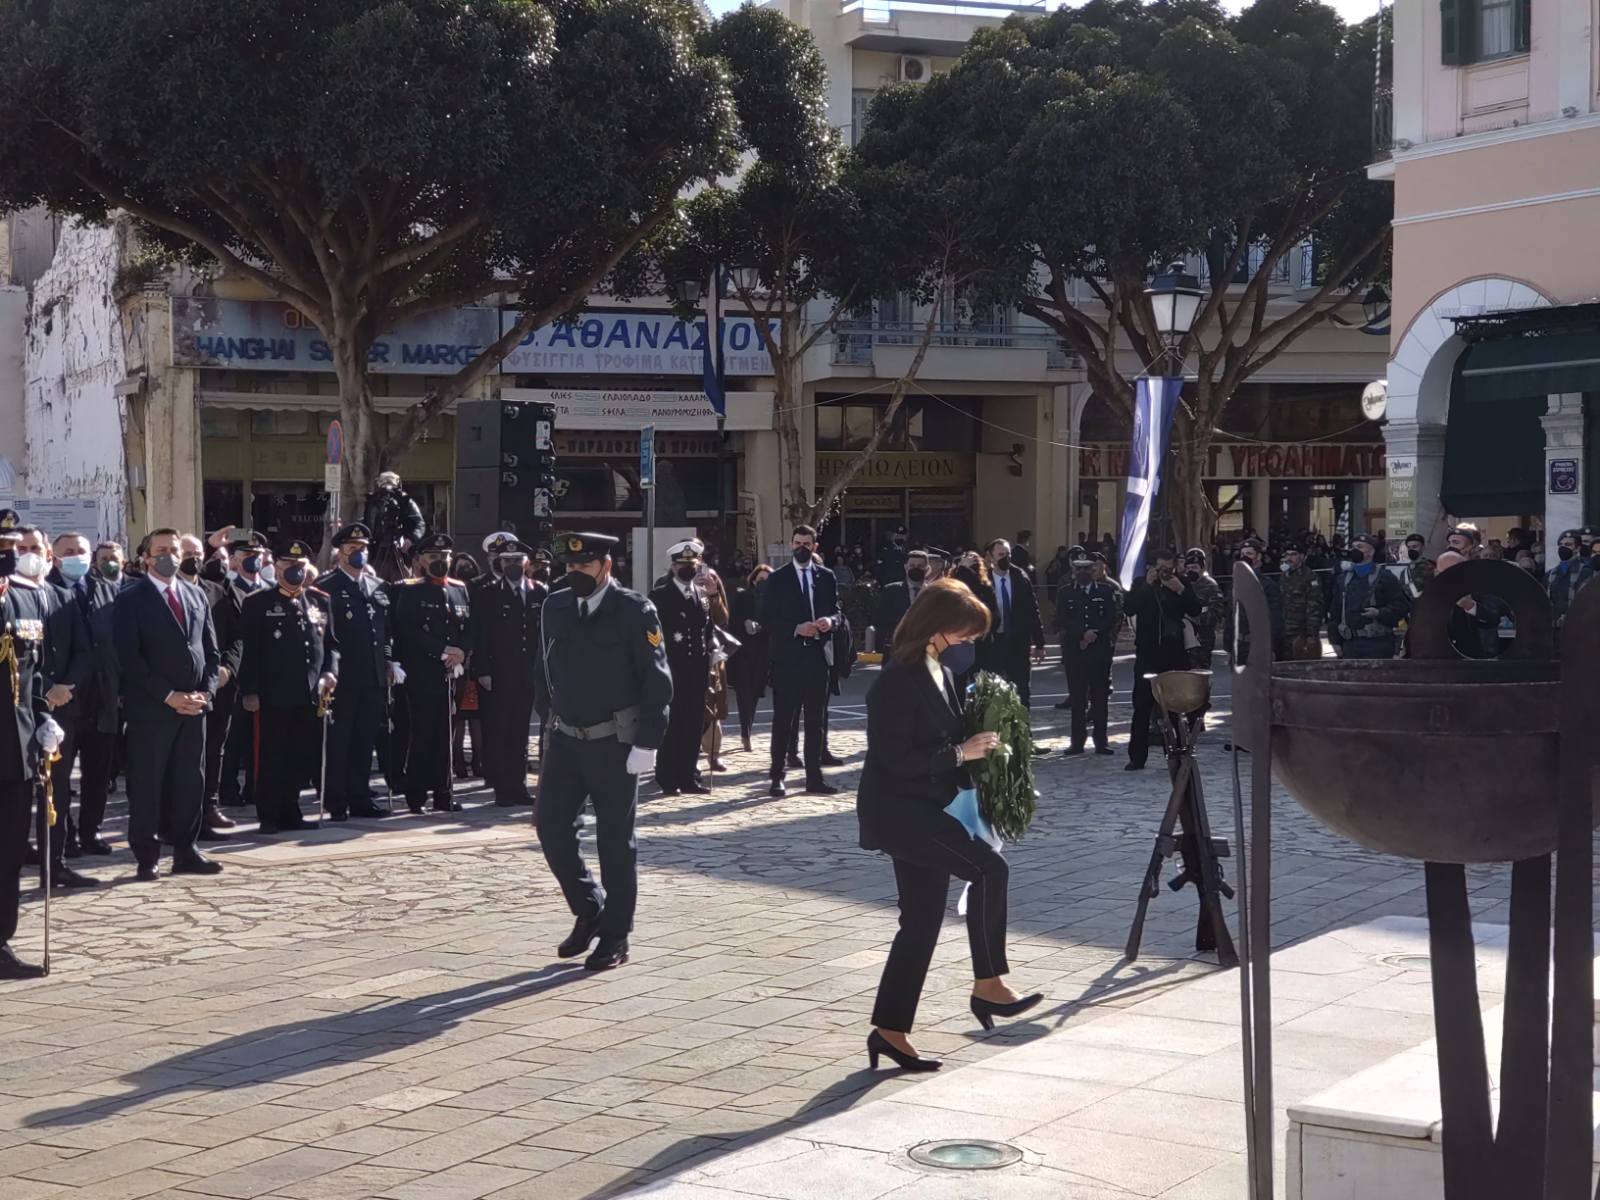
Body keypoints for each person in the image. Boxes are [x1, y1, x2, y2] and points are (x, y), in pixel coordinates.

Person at [858, 578, 1041, 1072]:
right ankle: (989, 983)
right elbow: (895, 759)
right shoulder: (896, 680)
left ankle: (889, 1031)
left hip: (928, 808)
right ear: (937, 626)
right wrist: (961, 752)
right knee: (988, 870)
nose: (969, 642)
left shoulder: (938, 670)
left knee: (920, 923)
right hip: (901, 812)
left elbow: (945, 737)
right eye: (965, 632)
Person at [534, 532, 673, 972]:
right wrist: (546, 721)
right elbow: (543, 669)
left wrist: (648, 741)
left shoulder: (634, 609)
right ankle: (590, 906)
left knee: (615, 843)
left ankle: (616, 935)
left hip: (615, 743)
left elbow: (657, 680)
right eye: (571, 566)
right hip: (565, 739)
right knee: (551, 829)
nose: (576, 572)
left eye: (586, 565)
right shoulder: (555, 606)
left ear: (606, 566)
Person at [112, 528, 223, 880]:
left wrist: (206, 693)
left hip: (194, 707)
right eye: (160, 550)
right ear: (146, 557)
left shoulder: (195, 594)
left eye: (174, 550)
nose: (169, 557)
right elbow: (130, 659)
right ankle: (147, 855)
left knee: (190, 781)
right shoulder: (131, 598)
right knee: (148, 783)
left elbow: (211, 650)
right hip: (152, 709)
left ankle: (186, 850)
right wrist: (168, 695)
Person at [237, 540, 338, 833]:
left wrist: (330, 673)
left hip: (309, 692)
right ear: (277, 568)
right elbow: (249, 649)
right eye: (288, 565)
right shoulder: (258, 602)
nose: (295, 571)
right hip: (273, 693)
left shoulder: (319, 600)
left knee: (299, 754)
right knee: (271, 755)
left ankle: (291, 810)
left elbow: (331, 645)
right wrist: (250, 690)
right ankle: (269, 813)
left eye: (300, 565)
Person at [0, 517, 62, 978]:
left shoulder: (23, 600)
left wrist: (44, 719)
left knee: (7, 853)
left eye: (13, 546)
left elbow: (32, 674)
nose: (10, 554)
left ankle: (0, 941)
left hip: (16, 753)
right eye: (4, 546)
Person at [387, 534, 470, 814]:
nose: (440, 561)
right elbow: (408, 631)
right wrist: (442, 650)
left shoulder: (459, 589)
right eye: (434, 556)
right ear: (421, 560)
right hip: (421, 672)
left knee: (446, 735)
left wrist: (461, 651)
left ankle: (444, 794)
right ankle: (416, 796)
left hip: (451, 673)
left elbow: (468, 627)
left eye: (444, 556)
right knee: (422, 734)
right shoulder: (409, 591)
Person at [760, 525, 840, 798]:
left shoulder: (826, 577)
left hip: (817, 658)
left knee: (816, 721)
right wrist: (795, 628)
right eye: (797, 543)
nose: (801, 548)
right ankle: (777, 777)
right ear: (791, 545)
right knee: (784, 720)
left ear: (814, 547)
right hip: (788, 660)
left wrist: (830, 621)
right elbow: (767, 618)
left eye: (807, 544)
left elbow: (837, 611)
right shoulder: (778, 578)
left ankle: (814, 778)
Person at [320, 523, 393, 820]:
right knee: (340, 742)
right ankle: (336, 801)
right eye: (352, 549)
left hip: (373, 676)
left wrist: (389, 662)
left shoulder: (378, 586)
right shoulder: (327, 587)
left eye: (362, 548)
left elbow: (385, 632)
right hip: (343, 677)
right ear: (340, 553)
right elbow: (325, 636)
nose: (358, 553)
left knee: (364, 741)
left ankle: (361, 797)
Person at [471, 536, 546, 807]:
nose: (512, 565)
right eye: (507, 561)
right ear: (499, 564)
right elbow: (480, 635)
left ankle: (518, 786)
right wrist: (483, 670)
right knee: (499, 730)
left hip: (527, 673)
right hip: (498, 673)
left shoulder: (539, 592)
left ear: (526, 563)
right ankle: (502, 788)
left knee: (520, 731)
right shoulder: (488, 593)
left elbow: (544, 634)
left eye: (517, 560)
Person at [1125, 549, 1202, 771]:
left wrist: (1181, 590)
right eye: (1161, 569)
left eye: (1170, 569)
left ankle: (1178, 752)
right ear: (1152, 568)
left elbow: (1195, 609)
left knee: (1176, 707)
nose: (1166, 573)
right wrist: (1146, 586)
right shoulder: (1141, 583)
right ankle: (1137, 757)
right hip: (1147, 653)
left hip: (1174, 653)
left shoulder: (1181, 583)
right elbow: (1129, 608)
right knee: (1142, 706)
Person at [650, 540, 715, 796]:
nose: (687, 568)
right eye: (682, 565)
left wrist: (713, 646)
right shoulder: (660, 596)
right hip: (672, 669)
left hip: (697, 669)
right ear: (673, 566)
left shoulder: (701, 595)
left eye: (692, 564)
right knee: (673, 723)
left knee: (693, 723)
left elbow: (707, 629)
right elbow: (652, 636)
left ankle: (688, 776)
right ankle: (667, 777)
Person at [1055, 548, 1119, 755]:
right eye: (1078, 569)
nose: (1083, 572)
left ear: (1093, 570)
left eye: (1087, 569)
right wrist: (1082, 634)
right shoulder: (1065, 593)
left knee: (1100, 698)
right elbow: (1061, 620)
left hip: (1099, 652)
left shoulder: (1105, 592)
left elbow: (1111, 617)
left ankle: (1101, 741)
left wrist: (1094, 633)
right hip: (1075, 652)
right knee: (1077, 700)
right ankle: (1077, 742)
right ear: (1073, 571)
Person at [983, 538, 1045, 707]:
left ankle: (1022, 722)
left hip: (1018, 642)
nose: (1005, 558)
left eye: (1008, 554)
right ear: (991, 557)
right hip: (994, 642)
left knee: (1021, 691)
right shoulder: (984, 580)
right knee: (992, 691)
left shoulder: (1020, 577)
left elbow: (1032, 610)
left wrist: (1039, 643)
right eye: (1000, 555)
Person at [1330, 533, 1409, 660]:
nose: (1354, 550)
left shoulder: (1385, 577)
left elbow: (1402, 606)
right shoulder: (1343, 579)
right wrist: (1335, 641)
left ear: (1371, 552)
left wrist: (1379, 613)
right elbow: (1335, 610)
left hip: (1379, 644)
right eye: (1353, 547)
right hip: (1350, 644)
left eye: (1360, 547)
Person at [448, 553, 485, 778]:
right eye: (460, 566)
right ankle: (458, 760)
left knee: (477, 717)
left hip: (477, 664)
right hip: (457, 663)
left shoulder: (479, 591)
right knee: (459, 717)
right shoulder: (452, 592)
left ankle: (479, 759)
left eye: (468, 566)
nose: (465, 570)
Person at [728, 564, 771, 754]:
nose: (763, 583)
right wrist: (745, 622)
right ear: (753, 580)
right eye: (760, 579)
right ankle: (745, 732)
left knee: (754, 694)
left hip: (763, 653)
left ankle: (748, 729)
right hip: (743, 653)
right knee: (744, 693)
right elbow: (732, 620)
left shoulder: (773, 600)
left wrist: (764, 627)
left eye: (767, 580)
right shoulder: (743, 596)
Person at [699, 566, 733, 773]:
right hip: (686, 658)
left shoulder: (713, 587)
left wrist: (712, 594)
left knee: (713, 707)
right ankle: (687, 755)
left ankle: (713, 754)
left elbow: (722, 619)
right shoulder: (674, 587)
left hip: (712, 657)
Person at [364, 470, 427, 582]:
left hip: (399, 549)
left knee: (404, 581)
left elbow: (419, 524)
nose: (388, 491)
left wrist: (410, 540)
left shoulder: (405, 501)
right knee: (373, 580)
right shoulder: (372, 502)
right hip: (376, 549)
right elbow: (366, 523)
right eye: (384, 485)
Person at [874, 549, 931, 655]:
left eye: (920, 566)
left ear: (927, 569)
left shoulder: (934, 593)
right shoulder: (890, 591)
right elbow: (881, 621)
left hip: (926, 651)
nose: (915, 568)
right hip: (897, 650)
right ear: (906, 567)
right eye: (912, 565)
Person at [1278, 545, 1324, 661]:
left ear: (1302, 557)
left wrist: (1311, 634)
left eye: (1294, 554)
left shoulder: (1310, 577)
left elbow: (1314, 606)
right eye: (1287, 555)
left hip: (1300, 632)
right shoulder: (1284, 576)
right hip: (1284, 630)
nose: (1289, 558)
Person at [1181, 548, 1225, 668]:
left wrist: (1194, 617)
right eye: (1188, 568)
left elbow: (1216, 612)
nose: (1191, 571)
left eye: (1194, 567)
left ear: (1202, 568)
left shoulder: (1210, 585)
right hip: (1183, 636)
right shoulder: (1182, 584)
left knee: (1200, 671)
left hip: (1202, 639)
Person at [1547, 529, 1593, 629]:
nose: (1563, 548)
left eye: (1568, 544)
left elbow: (1585, 601)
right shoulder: (1551, 574)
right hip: (1554, 625)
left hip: (1576, 626)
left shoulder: (1585, 572)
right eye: (1560, 545)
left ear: (1577, 548)